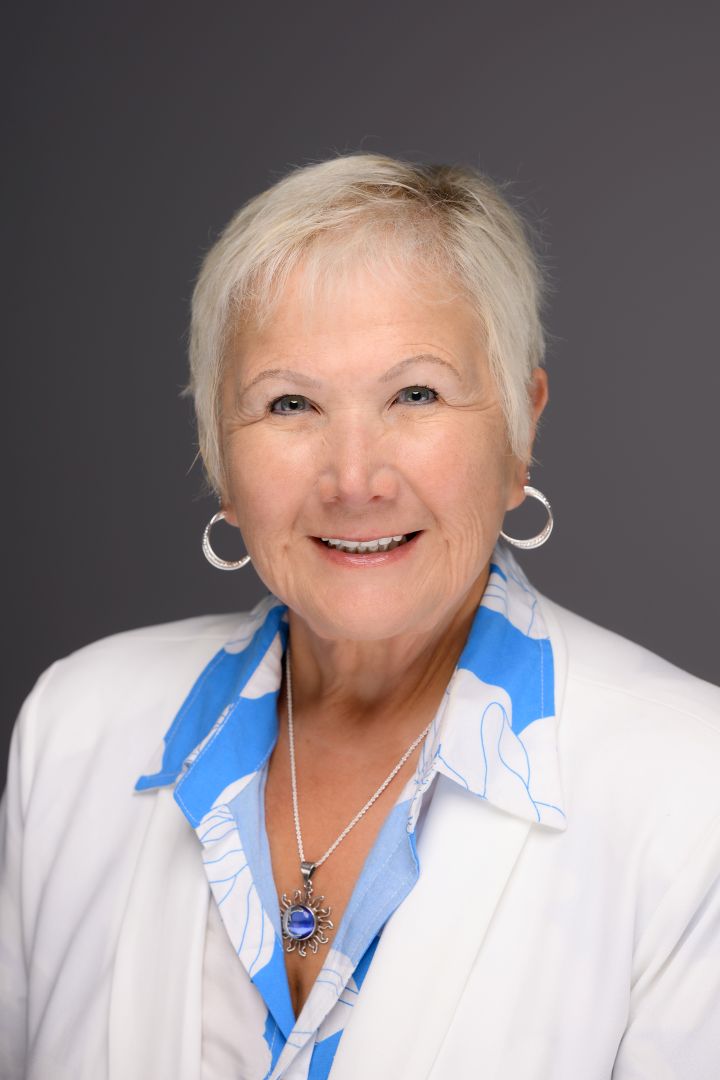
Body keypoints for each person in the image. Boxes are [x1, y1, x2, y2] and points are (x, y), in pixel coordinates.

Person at [1, 153, 719, 1080]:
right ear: (219, 454)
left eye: (415, 395)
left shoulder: (693, 787)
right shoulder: (74, 727)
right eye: (289, 404)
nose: (353, 480)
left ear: (520, 430)